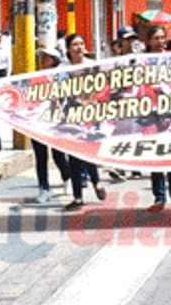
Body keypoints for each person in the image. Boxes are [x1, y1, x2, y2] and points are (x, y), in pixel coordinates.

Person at [61, 33, 107, 209]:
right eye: (75, 44)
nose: (79, 47)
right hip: (71, 116)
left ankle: (96, 182)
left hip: (90, 114)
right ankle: (77, 197)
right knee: (73, 155)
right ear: (68, 49)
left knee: (87, 149)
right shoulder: (62, 69)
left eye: (81, 43)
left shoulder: (92, 66)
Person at [145, 25, 171, 211]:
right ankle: (159, 197)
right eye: (156, 38)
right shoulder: (141, 61)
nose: (160, 42)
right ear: (148, 41)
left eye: (163, 38)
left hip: (170, 112)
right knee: (155, 156)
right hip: (150, 113)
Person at [31, 46, 74, 203]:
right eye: (42, 57)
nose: (43, 60)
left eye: (47, 57)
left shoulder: (62, 76)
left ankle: (67, 177)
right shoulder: (36, 77)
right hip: (38, 122)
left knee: (58, 155)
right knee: (40, 156)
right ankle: (43, 188)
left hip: (56, 121)